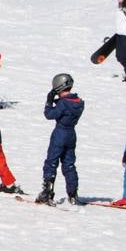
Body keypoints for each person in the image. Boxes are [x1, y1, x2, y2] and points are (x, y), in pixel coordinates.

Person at [37, 73, 85, 205]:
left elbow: (49, 114)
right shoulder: (79, 102)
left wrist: (49, 102)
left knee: (51, 162)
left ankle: (47, 192)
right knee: (69, 164)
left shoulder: (63, 103)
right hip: (71, 134)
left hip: (60, 133)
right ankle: (73, 193)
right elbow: (68, 106)